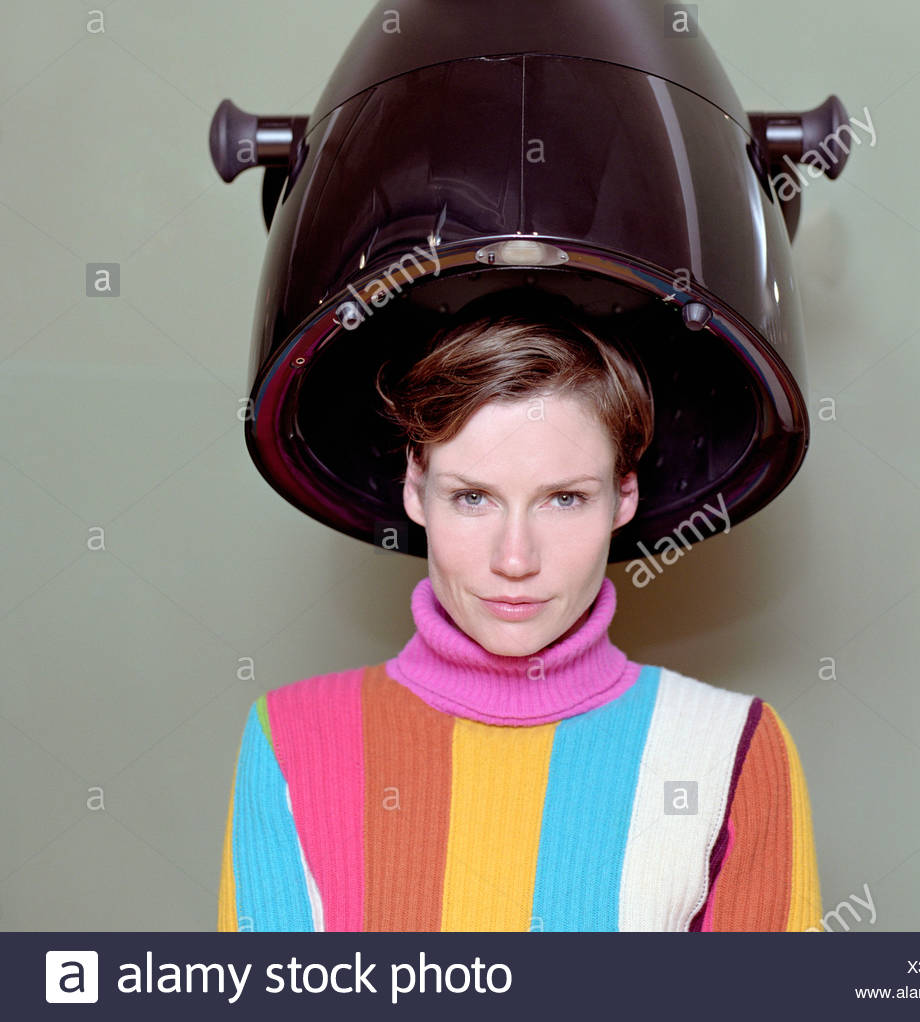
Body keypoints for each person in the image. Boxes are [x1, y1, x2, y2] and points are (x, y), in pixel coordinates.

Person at [217, 302, 823, 932]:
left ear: (624, 497)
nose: (515, 558)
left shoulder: (735, 747)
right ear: (413, 488)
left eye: (564, 498)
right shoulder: (289, 738)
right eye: (472, 497)